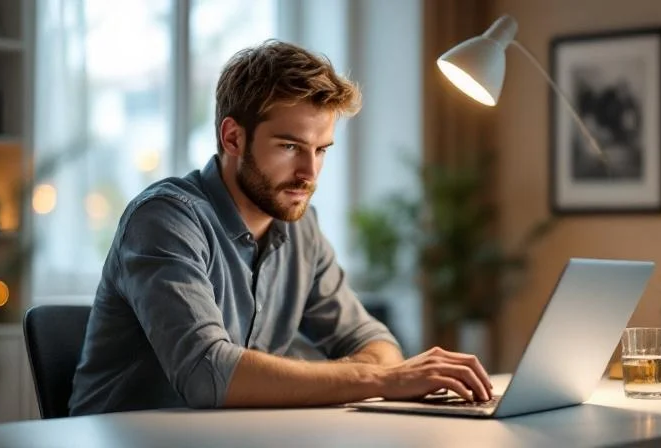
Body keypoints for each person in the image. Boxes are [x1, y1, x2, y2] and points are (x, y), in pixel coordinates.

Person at [68, 39, 492, 416]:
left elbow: (374, 343)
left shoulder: (300, 227)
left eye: (321, 150)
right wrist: (380, 380)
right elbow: (210, 374)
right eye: (290, 147)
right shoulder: (165, 219)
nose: (309, 173)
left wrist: (371, 371)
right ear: (233, 138)